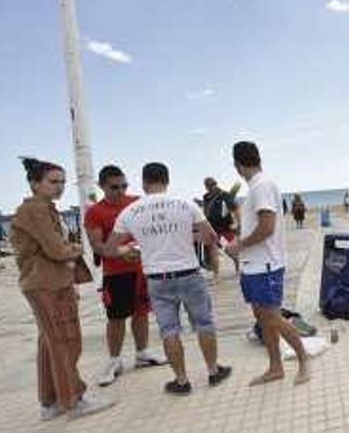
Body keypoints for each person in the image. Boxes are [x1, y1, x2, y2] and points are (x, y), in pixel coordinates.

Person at [104, 162, 231, 395]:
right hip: (189, 273)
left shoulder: (129, 212)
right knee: (204, 323)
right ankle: (213, 371)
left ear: (143, 183)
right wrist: (187, 235)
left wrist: (131, 250)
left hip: (157, 278)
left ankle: (181, 381)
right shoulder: (185, 205)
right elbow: (210, 237)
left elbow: (110, 249)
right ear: (167, 181)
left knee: (169, 330)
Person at [10, 158, 115, 420]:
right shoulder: (36, 209)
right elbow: (57, 249)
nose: (60, 187)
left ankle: (50, 402)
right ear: (35, 183)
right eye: (53, 182)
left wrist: (68, 257)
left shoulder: (43, 208)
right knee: (65, 341)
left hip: (48, 282)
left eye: (63, 182)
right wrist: (77, 249)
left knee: (50, 342)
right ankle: (72, 400)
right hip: (48, 284)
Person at [223, 141, 310, 386]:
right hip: (253, 265)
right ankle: (275, 367)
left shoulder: (261, 186)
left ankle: (303, 360)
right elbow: (258, 226)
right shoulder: (256, 187)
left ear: (237, 165)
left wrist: (239, 245)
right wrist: (239, 246)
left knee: (273, 317)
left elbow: (267, 228)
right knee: (263, 319)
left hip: (266, 266)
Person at [84, 165, 166, 387]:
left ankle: (142, 353)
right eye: (114, 187)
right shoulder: (95, 212)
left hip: (142, 269)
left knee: (141, 312)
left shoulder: (137, 203)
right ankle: (114, 360)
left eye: (124, 186)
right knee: (117, 317)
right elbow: (97, 245)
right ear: (101, 186)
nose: (120, 191)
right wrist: (122, 251)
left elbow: (154, 229)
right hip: (115, 273)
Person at [201, 177, 238, 278]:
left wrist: (236, 223)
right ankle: (216, 274)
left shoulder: (225, 195)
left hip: (225, 227)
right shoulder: (206, 197)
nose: (210, 187)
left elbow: (235, 208)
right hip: (212, 227)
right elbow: (205, 210)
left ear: (216, 184)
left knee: (228, 250)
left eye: (212, 184)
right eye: (207, 185)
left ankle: (238, 265)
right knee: (213, 251)